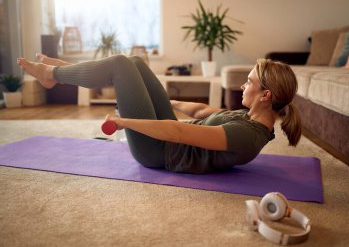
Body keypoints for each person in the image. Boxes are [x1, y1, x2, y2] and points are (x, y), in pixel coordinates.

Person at [17, 54, 301, 174]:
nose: (243, 85)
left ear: (266, 95)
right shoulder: (249, 118)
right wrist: (167, 99)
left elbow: (178, 132)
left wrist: (123, 122)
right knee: (135, 63)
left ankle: (53, 75)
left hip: (158, 152)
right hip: (169, 139)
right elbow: (203, 110)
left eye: (249, 81)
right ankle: (64, 72)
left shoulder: (247, 136)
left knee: (119, 64)